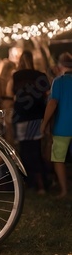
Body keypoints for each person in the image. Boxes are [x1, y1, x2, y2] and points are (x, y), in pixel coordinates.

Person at [8, 50, 50, 194]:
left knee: (24, 150)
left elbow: (11, 93)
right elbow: (46, 96)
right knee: (36, 149)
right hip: (36, 116)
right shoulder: (41, 76)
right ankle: (41, 185)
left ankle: (28, 182)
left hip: (21, 116)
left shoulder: (16, 76)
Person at [41, 52, 72, 198]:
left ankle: (64, 190)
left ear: (60, 66)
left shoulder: (59, 81)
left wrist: (44, 123)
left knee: (58, 159)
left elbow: (53, 103)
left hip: (62, 127)